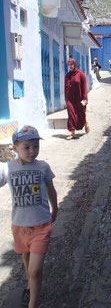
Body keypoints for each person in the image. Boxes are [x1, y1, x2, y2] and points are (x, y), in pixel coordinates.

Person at [0, 125, 58, 308]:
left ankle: (33, 303)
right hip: (19, 225)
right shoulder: (8, 168)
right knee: (26, 257)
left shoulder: (43, 167)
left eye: (36, 146)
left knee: (36, 268)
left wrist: (55, 209)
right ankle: (29, 283)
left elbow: (51, 189)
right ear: (15, 149)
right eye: (26, 147)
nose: (32, 151)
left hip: (41, 225)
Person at [65, 58, 90, 140]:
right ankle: (72, 132)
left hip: (79, 98)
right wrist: (66, 99)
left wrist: (85, 98)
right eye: (69, 65)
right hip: (70, 99)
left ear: (74, 64)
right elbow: (66, 88)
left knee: (81, 114)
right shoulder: (67, 76)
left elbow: (84, 87)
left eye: (71, 64)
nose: (70, 66)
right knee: (71, 113)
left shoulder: (80, 74)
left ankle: (85, 123)